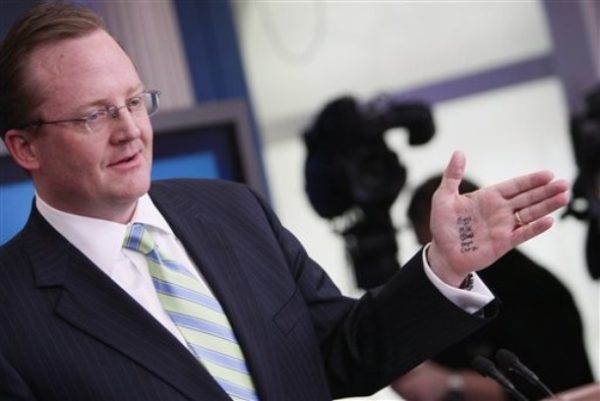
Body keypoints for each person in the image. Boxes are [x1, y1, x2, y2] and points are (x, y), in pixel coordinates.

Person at [0, 3, 569, 401]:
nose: (130, 131)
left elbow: (342, 353)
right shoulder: (10, 313)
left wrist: (445, 265)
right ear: (24, 147)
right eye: (94, 115)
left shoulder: (233, 212)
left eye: (133, 102)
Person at [392, 175, 594, 401]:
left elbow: (550, 386)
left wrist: (452, 383)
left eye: (432, 242)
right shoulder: (444, 293)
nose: (428, 255)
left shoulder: (535, 290)